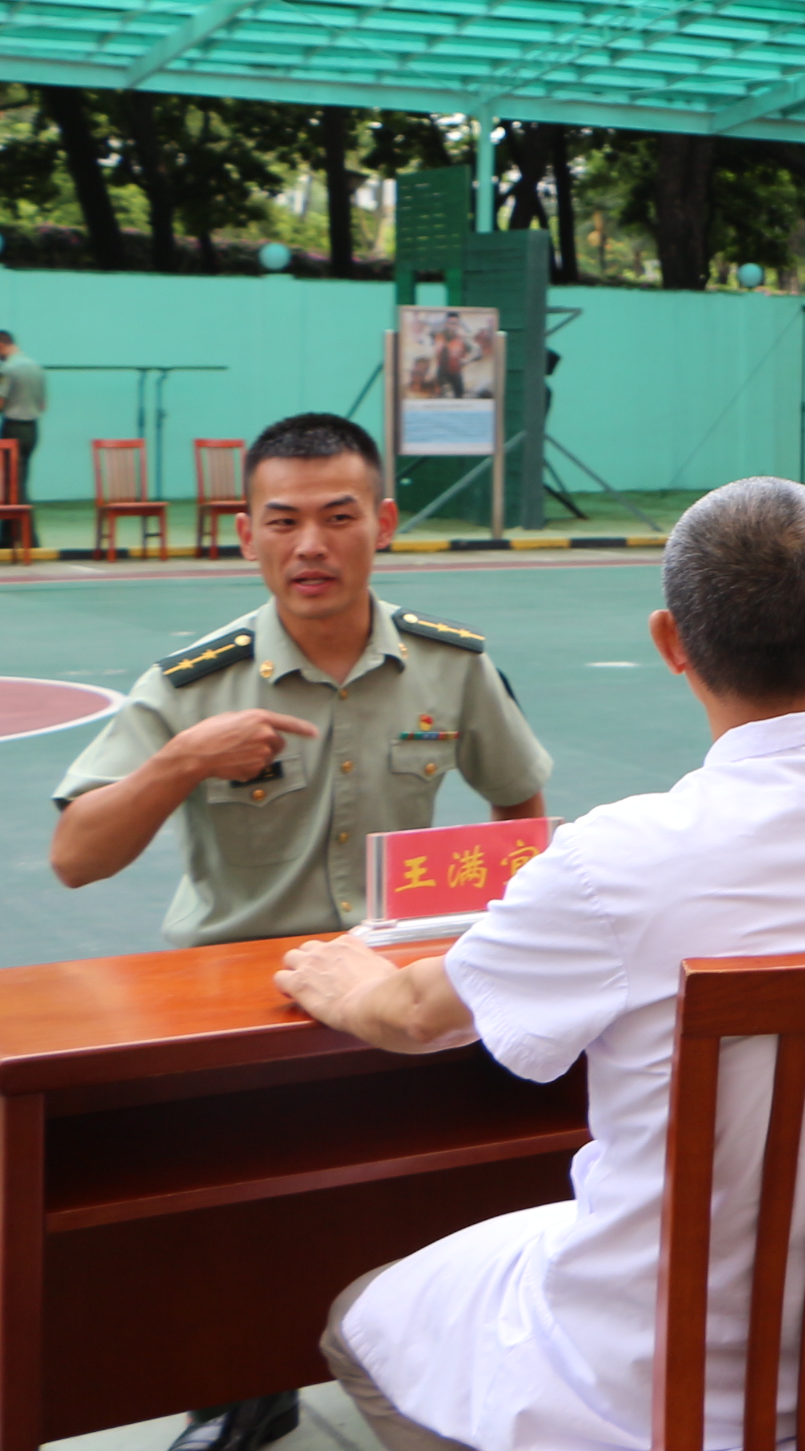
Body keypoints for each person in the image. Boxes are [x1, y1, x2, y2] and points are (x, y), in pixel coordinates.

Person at [277, 476, 805, 1451]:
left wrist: (350, 983)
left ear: (672, 642)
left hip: (668, 1389)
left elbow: (420, 1016)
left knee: (367, 1317)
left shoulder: (615, 860)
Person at [46, 413, 552, 1451]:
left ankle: (443, 1361)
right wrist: (181, 762)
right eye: (283, 521)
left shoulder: (450, 666)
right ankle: (236, 1386)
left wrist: (487, 928)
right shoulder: (195, 682)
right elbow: (77, 855)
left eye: (338, 517)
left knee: (463, 1166)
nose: (311, 546)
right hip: (230, 992)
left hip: (391, 985)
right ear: (246, 534)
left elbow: (523, 810)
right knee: (200, 1205)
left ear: (385, 524)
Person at [0, 328, 43, 489]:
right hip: (32, 430)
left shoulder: (6, 369)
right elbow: (42, 405)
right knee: (22, 478)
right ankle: (25, 513)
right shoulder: (36, 367)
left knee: (10, 479)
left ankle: (13, 514)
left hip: (13, 428)